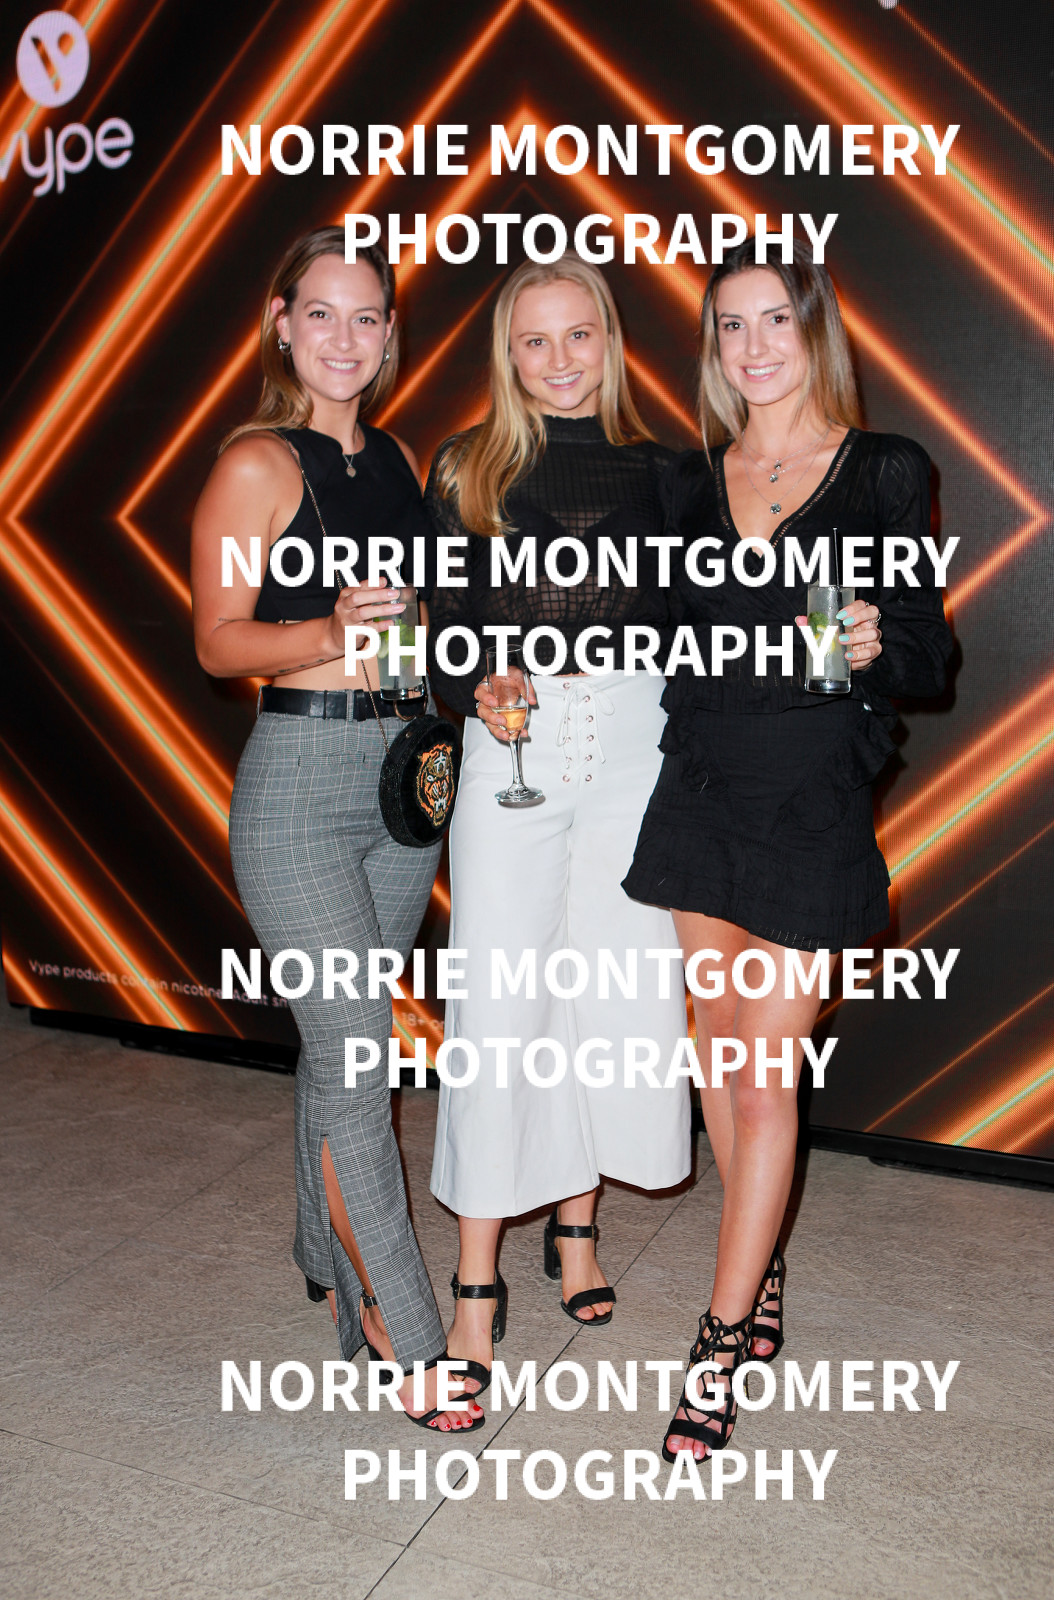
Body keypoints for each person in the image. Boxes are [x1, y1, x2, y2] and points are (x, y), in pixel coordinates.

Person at [622, 237, 954, 1461]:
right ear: (712, 347)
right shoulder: (686, 483)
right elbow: (648, 629)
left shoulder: (883, 472)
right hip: (702, 786)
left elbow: (929, 654)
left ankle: (716, 1339)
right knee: (720, 1056)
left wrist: (875, 640)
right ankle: (756, 1270)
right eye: (731, 325)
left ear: (814, 331)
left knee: (765, 1075)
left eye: (774, 320)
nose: (753, 347)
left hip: (813, 797)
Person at [191, 225, 481, 1434]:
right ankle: (403, 1330)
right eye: (321, 313)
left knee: (339, 1048)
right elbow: (217, 639)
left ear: (390, 333)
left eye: (367, 316)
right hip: (300, 784)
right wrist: (327, 631)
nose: (344, 338)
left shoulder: (396, 458)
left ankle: (322, 1251)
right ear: (281, 324)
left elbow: (415, 621)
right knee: (362, 1062)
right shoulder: (257, 463)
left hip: (402, 777)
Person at [424, 255, 692, 1395]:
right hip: (513, 746)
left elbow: (696, 626)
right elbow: (440, 630)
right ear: (508, 355)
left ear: (610, 341)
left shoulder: (669, 472)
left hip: (634, 747)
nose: (559, 360)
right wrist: (474, 678)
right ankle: (474, 1280)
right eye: (534, 341)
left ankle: (576, 1229)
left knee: (611, 994)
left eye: (578, 334)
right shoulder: (464, 467)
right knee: (499, 1003)